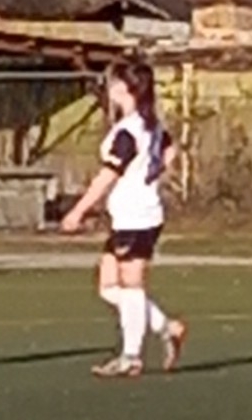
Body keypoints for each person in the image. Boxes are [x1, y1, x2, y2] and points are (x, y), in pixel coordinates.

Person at [60, 59, 189, 379]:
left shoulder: (129, 131)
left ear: (124, 89)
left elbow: (107, 176)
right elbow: (170, 151)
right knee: (108, 286)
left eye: (114, 83)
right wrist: (151, 174)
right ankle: (166, 327)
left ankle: (130, 356)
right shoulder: (147, 124)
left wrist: (78, 210)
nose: (110, 88)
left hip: (137, 217)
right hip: (129, 215)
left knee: (131, 286)